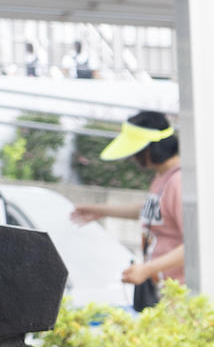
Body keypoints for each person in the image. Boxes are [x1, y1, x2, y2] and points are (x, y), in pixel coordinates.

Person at [70, 111, 183, 309]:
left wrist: (148, 269)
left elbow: (196, 245)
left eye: (136, 150)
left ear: (150, 149)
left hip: (179, 294)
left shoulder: (178, 182)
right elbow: (152, 211)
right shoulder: (162, 176)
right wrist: (102, 211)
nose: (133, 157)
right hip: (162, 289)